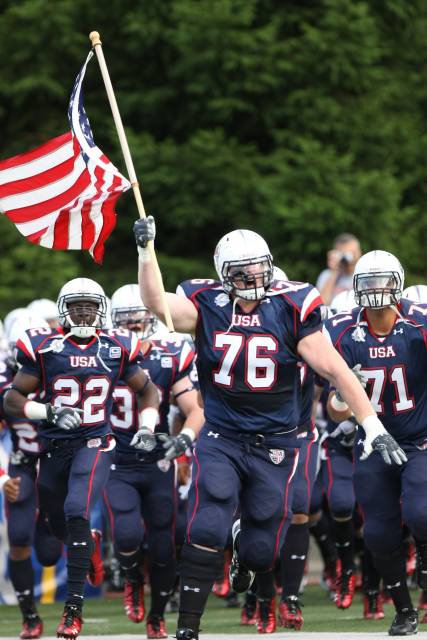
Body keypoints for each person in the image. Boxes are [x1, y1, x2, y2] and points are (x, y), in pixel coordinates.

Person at [134, 219, 404, 640]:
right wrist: (146, 250)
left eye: (259, 268)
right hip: (223, 434)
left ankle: (247, 548)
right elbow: (154, 300)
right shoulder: (206, 303)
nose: (253, 278)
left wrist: (373, 426)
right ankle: (188, 627)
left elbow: (335, 369)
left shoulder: (292, 304)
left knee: (263, 555)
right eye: (242, 272)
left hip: (277, 441)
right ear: (225, 275)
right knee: (206, 525)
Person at [4, 277, 159, 640]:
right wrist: (49, 412)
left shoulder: (116, 347)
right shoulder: (46, 347)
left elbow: (148, 392)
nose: (85, 311)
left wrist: (148, 427)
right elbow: (11, 400)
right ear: (64, 311)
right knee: (58, 526)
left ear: (102, 309)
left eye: (91, 305)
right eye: (77, 306)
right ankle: (85, 543)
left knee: (77, 508)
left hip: (96, 441)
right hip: (54, 449)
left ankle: (72, 611)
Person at [324, 250, 427, 636]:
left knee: (421, 512)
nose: (375, 290)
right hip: (372, 442)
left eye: (383, 282)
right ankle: (403, 610)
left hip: (419, 438)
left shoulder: (419, 323)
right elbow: (334, 411)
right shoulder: (340, 331)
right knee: (379, 533)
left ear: (398, 284)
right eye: (367, 282)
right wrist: (343, 394)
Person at [105, 284, 204, 639]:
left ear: (150, 320)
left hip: (157, 460)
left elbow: (195, 409)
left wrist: (184, 439)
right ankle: (132, 575)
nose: (132, 327)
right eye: (125, 322)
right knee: (128, 536)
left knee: (164, 545)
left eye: (138, 320)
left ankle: (158, 614)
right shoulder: (101, 354)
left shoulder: (170, 352)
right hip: (116, 459)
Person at [316, 234, 362, 305]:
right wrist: (334, 271)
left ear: (359, 252)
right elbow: (321, 304)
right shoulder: (327, 275)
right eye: (344, 253)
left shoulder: (365, 275)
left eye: (352, 252)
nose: (349, 257)